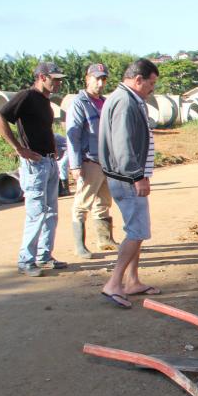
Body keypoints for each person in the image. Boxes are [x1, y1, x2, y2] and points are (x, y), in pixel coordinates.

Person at [0, 62, 68, 277]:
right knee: (36, 213)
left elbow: (43, 129)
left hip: (49, 162)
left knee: (51, 212)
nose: (59, 82)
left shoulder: (45, 101)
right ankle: (26, 260)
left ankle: (44, 256)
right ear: (42, 77)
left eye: (60, 79)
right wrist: (19, 148)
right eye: (55, 78)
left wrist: (53, 149)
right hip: (35, 164)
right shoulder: (26, 96)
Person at [98, 58, 161, 309]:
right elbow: (123, 145)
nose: (152, 89)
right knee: (136, 232)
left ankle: (132, 281)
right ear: (138, 80)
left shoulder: (125, 99)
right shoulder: (125, 102)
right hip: (127, 179)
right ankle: (114, 283)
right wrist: (137, 176)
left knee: (138, 231)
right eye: (151, 83)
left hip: (125, 177)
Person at [66, 63, 118, 259]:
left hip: (106, 162)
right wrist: (75, 165)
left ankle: (105, 240)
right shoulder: (79, 103)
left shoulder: (104, 102)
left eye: (103, 79)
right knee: (82, 203)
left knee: (104, 202)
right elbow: (73, 136)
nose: (100, 82)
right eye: (96, 78)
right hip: (89, 161)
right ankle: (80, 246)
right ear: (87, 78)